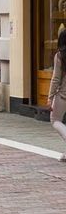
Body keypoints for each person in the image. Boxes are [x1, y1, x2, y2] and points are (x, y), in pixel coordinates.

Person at [49, 30, 66, 161]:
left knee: (55, 120)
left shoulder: (60, 55)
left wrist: (50, 97)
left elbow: (56, 78)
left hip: (63, 95)